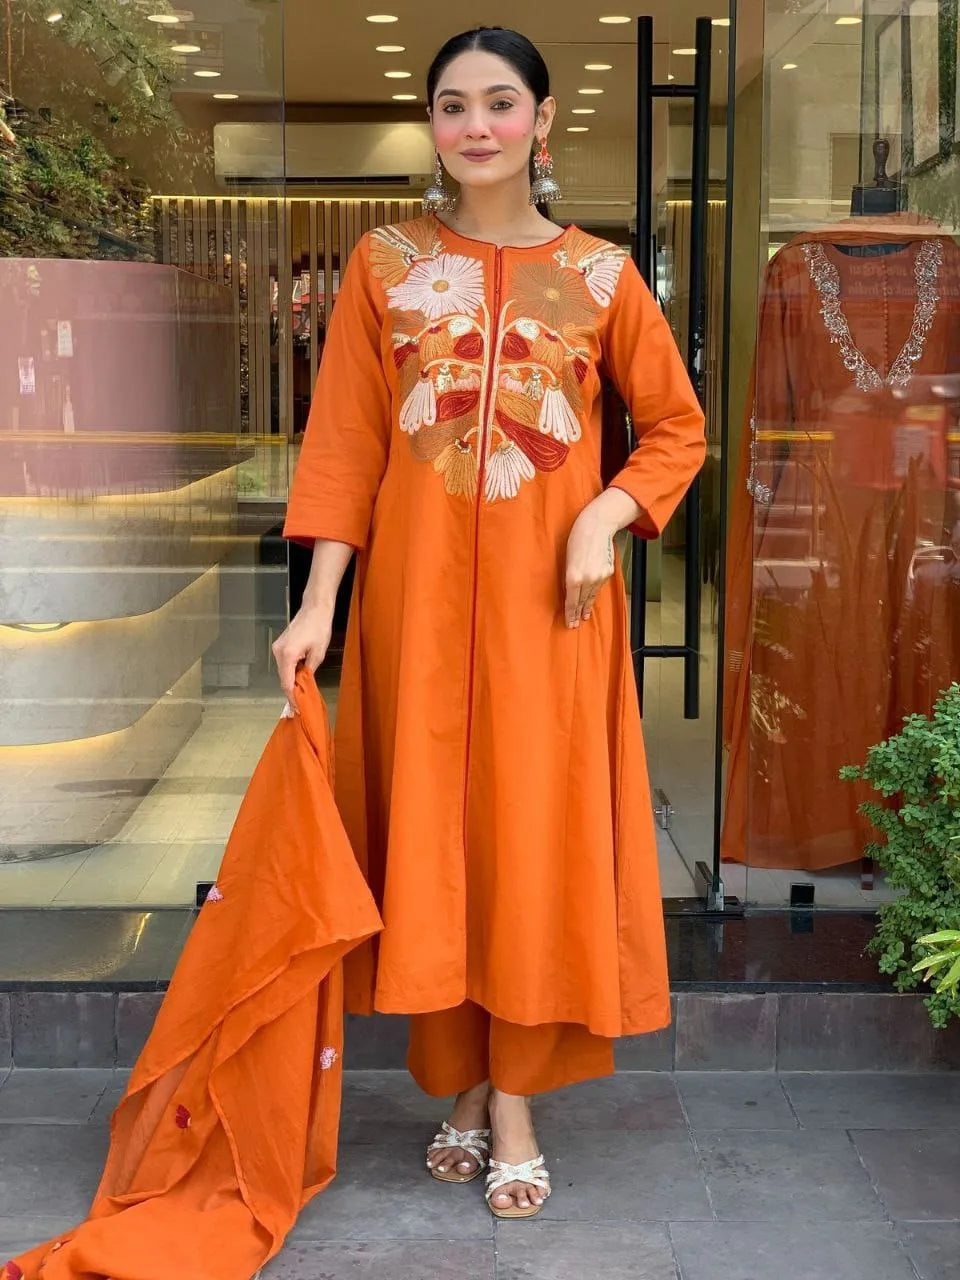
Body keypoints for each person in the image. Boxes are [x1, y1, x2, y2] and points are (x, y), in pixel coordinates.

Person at [274, 25, 705, 1220]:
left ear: (543, 120)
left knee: (527, 843)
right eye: (453, 104)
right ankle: (463, 1078)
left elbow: (678, 428)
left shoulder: (603, 275)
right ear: (432, 123)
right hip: (415, 614)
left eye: (500, 102)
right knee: (441, 843)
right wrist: (318, 603)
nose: (476, 125)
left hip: (549, 621)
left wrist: (603, 515)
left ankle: (510, 1100)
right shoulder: (384, 265)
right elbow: (347, 443)